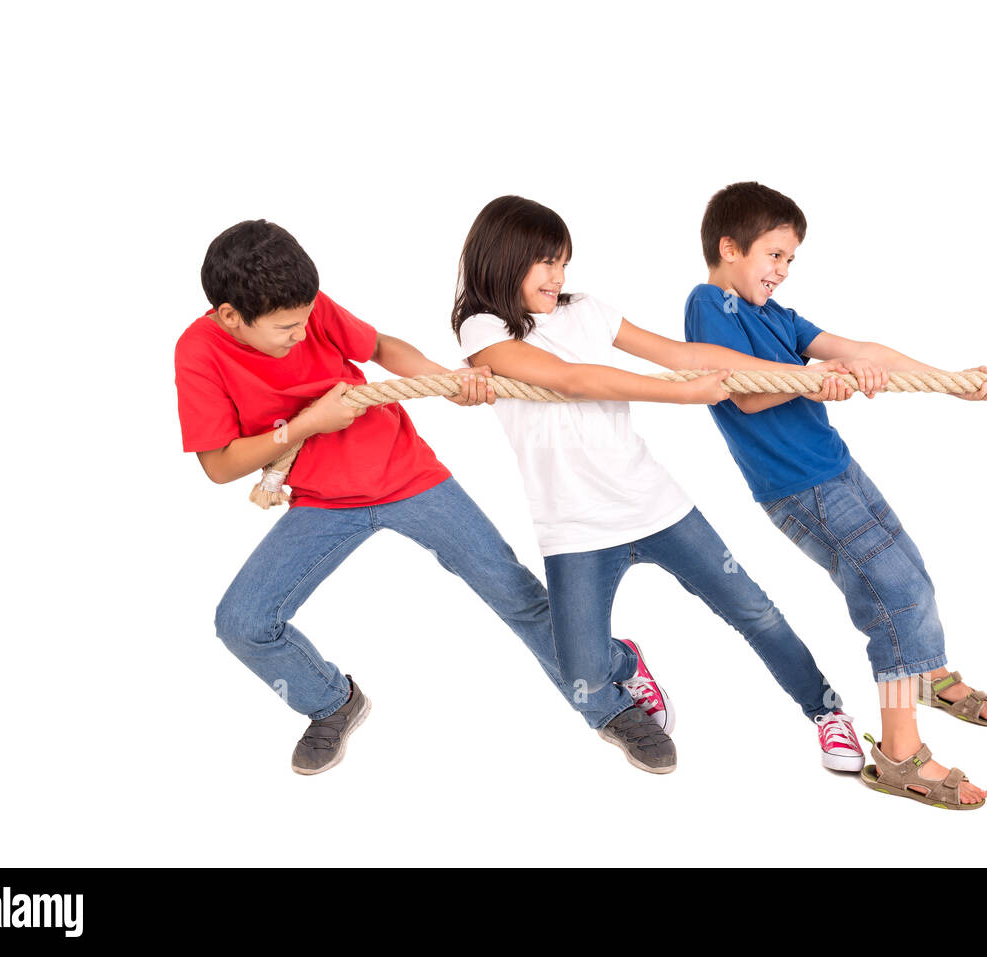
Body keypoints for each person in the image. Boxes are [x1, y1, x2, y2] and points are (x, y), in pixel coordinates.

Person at [174, 219, 649, 776]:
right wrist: (306, 425)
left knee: (517, 596)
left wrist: (445, 381)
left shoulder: (303, 303)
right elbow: (219, 465)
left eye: (305, 322)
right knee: (242, 621)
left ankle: (610, 701)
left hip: (408, 475)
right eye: (285, 329)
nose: (301, 336)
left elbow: (378, 347)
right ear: (231, 316)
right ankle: (331, 702)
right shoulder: (197, 353)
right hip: (323, 501)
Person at [452, 195, 864, 776]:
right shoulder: (483, 328)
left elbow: (678, 353)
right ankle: (625, 664)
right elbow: (573, 379)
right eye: (545, 262)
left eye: (563, 262)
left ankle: (825, 712)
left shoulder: (587, 308)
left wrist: (799, 376)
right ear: (503, 258)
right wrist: (680, 393)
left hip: (655, 505)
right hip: (575, 528)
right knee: (583, 676)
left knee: (753, 611)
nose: (558, 276)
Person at [684, 181, 987, 809]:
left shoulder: (777, 316)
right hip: (799, 490)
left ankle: (925, 673)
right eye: (772, 255)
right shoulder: (709, 304)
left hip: (836, 469)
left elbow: (860, 351)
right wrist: (812, 380)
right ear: (729, 247)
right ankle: (898, 755)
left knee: (910, 568)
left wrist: (952, 382)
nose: (781, 271)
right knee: (894, 595)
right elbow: (744, 391)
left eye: (790, 259)